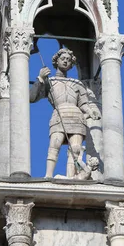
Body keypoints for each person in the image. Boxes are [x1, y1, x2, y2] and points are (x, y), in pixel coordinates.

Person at [30, 48, 101, 178]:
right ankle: (48, 175)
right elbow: (32, 97)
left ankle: (71, 177)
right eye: (63, 59)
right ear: (56, 61)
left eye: (68, 60)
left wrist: (91, 111)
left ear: (71, 64)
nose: (65, 61)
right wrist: (40, 78)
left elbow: (84, 104)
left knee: (76, 149)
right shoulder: (50, 81)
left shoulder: (77, 84)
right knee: (54, 145)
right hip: (60, 114)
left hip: (76, 117)